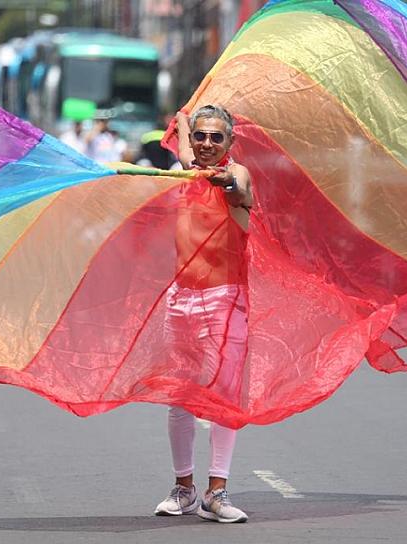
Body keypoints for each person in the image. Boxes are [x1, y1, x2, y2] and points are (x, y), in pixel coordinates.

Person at [153, 105, 253, 523]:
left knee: (222, 399)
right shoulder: (188, 171)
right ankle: (184, 489)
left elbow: (240, 189)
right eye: (201, 137)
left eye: (217, 137)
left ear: (230, 143)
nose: (207, 143)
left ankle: (217, 492)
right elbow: (185, 153)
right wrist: (182, 122)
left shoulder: (238, 173)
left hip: (224, 300)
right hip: (181, 300)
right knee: (180, 398)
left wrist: (226, 180)